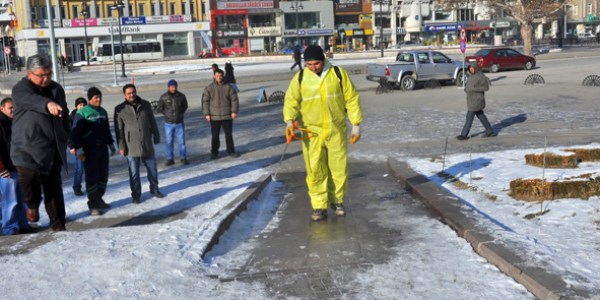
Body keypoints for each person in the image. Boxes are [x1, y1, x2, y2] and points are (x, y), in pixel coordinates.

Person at [283, 45, 363, 222]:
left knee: (338, 168)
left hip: (336, 130)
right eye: (309, 64)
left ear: (323, 60)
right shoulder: (301, 77)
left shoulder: (337, 74)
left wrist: (355, 124)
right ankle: (319, 205)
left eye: (316, 64)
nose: (312, 67)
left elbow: (351, 98)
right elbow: (291, 100)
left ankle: (337, 201)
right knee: (315, 169)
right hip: (312, 132)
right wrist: (289, 121)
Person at [11, 54, 70, 232]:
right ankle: (33, 205)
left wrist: (66, 133)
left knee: (53, 186)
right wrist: (48, 104)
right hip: (26, 146)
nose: (46, 79)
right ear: (29, 74)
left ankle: (58, 221)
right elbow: (31, 100)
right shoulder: (21, 88)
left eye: (49, 74)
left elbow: (65, 112)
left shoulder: (57, 89)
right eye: (41, 75)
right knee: (28, 178)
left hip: (51, 147)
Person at [114, 84, 164, 204]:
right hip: (131, 146)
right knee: (134, 173)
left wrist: (156, 135)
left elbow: (152, 121)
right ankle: (136, 194)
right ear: (124, 95)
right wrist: (121, 146)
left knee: (152, 169)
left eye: (133, 92)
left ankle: (154, 188)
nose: (132, 95)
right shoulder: (120, 109)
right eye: (129, 93)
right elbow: (119, 130)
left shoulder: (145, 104)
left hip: (146, 143)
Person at [70, 87, 115, 215]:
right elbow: (75, 133)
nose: (99, 99)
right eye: (96, 97)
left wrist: (111, 144)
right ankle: (93, 204)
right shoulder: (83, 113)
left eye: (100, 97)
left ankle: (99, 199)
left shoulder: (103, 112)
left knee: (103, 176)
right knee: (92, 177)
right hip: (89, 151)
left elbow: (106, 130)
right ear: (90, 99)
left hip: (102, 149)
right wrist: (78, 149)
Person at [0, 97, 36, 235]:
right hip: (7, 170)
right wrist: (1, 169)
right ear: (2, 108)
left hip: (19, 168)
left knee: (22, 200)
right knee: (10, 201)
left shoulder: (15, 123)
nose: (13, 110)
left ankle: (23, 225)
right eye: (10, 108)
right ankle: (9, 228)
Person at [202, 69, 239, 160]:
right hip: (214, 116)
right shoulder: (209, 88)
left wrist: (234, 112)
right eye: (217, 76)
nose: (219, 77)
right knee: (215, 136)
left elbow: (234, 100)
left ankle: (231, 150)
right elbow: (205, 102)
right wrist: (207, 114)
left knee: (228, 134)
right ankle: (214, 152)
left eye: (220, 76)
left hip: (227, 115)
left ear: (223, 76)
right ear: (214, 76)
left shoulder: (229, 87)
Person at [456, 61, 497, 140]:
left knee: (469, 117)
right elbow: (469, 86)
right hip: (471, 100)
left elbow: (486, 87)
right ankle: (490, 131)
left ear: (476, 68)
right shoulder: (471, 76)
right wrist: (466, 89)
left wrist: (473, 89)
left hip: (477, 100)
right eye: (470, 69)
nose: (471, 70)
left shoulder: (481, 76)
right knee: (481, 116)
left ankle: (464, 135)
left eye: (472, 68)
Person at [156, 79, 189, 166]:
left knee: (181, 142)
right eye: (171, 87)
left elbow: (185, 106)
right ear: (168, 87)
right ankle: (170, 158)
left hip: (179, 122)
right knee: (169, 142)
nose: (173, 88)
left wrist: (180, 113)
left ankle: (183, 157)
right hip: (168, 123)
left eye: (174, 86)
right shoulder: (164, 97)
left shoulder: (181, 96)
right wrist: (166, 114)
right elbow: (160, 108)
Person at [69, 97, 87, 196]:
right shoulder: (72, 117)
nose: (82, 107)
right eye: (80, 105)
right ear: (76, 106)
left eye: (84, 105)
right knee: (79, 168)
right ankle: (77, 187)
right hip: (78, 146)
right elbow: (68, 133)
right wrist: (71, 145)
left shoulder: (88, 115)